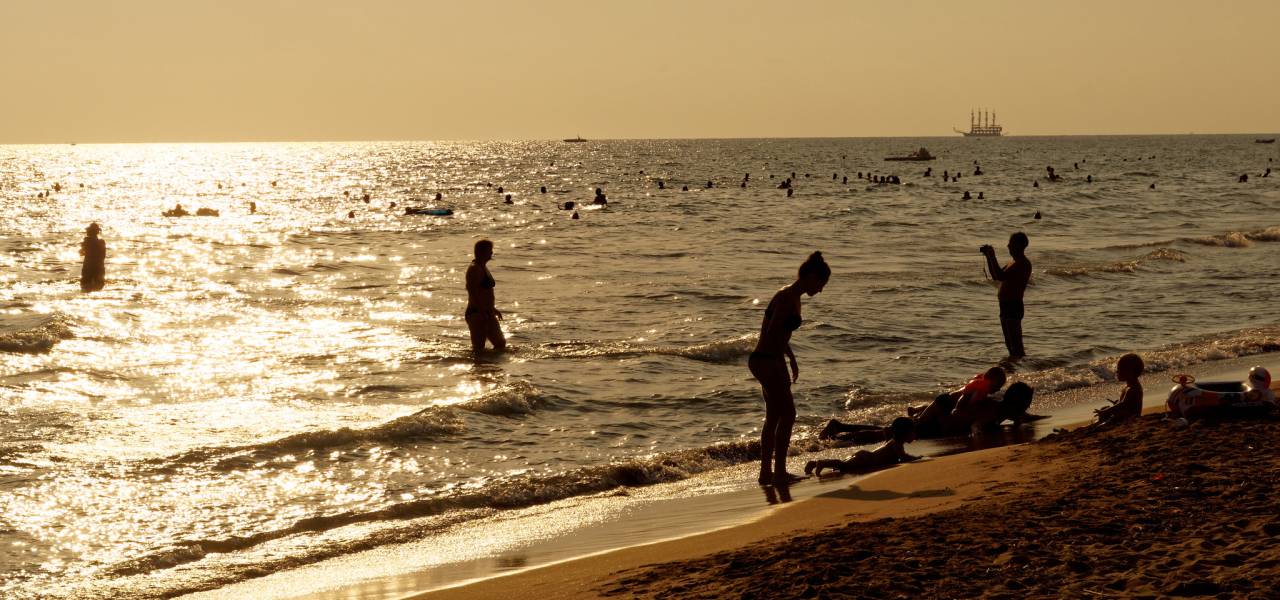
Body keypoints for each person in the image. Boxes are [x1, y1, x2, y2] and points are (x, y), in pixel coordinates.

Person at [750, 251, 830, 486]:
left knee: (774, 416)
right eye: (821, 284)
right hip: (766, 360)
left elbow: (780, 335)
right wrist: (779, 363)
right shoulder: (786, 298)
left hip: (768, 359)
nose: (821, 290)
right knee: (788, 414)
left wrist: (791, 359)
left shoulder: (792, 296)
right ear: (812, 277)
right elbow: (773, 332)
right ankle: (779, 473)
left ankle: (766, 473)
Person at [804, 417, 918, 477]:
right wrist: (916, 458)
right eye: (913, 432)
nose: (915, 435)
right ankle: (821, 463)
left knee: (842, 464)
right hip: (865, 459)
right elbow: (903, 457)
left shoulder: (894, 442)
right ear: (905, 433)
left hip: (864, 457)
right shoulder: (896, 444)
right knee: (843, 465)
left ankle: (814, 464)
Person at [982, 232, 1032, 358]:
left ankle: (1023, 371)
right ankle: (1014, 369)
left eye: (1011, 243)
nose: (1008, 246)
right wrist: (988, 257)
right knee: (1009, 344)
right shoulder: (1012, 262)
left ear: (1018, 246)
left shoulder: (1022, 263)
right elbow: (995, 276)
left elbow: (1000, 275)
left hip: (1013, 306)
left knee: (1016, 346)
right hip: (1005, 305)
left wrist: (992, 256)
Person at [465, 240, 506, 354]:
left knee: (500, 344)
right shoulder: (475, 268)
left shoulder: (483, 267)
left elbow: (485, 292)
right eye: (490, 250)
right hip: (477, 313)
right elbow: (472, 291)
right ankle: (480, 369)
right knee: (479, 347)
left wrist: (492, 309)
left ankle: (487, 368)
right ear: (482, 252)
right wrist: (482, 311)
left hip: (486, 312)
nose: (492, 252)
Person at [1094, 353, 1144, 425]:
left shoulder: (1133, 389)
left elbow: (1123, 404)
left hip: (1130, 418)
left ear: (1130, 372)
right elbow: (1126, 403)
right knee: (1105, 408)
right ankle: (1100, 421)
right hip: (1125, 415)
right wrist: (1116, 403)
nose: (1117, 372)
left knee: (1106, 412)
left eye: (1119, 369)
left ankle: (1101, 423)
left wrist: (1105, 412)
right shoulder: (1128, 387)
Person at [79, 223, 106, 292]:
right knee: (98, 286)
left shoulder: (86, 241)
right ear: (97, 232)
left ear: (89, 232)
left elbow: (81, 253)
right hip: (99, 267)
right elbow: (103, 256)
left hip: (88, 267)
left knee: (85, 286)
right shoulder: (102, 242)